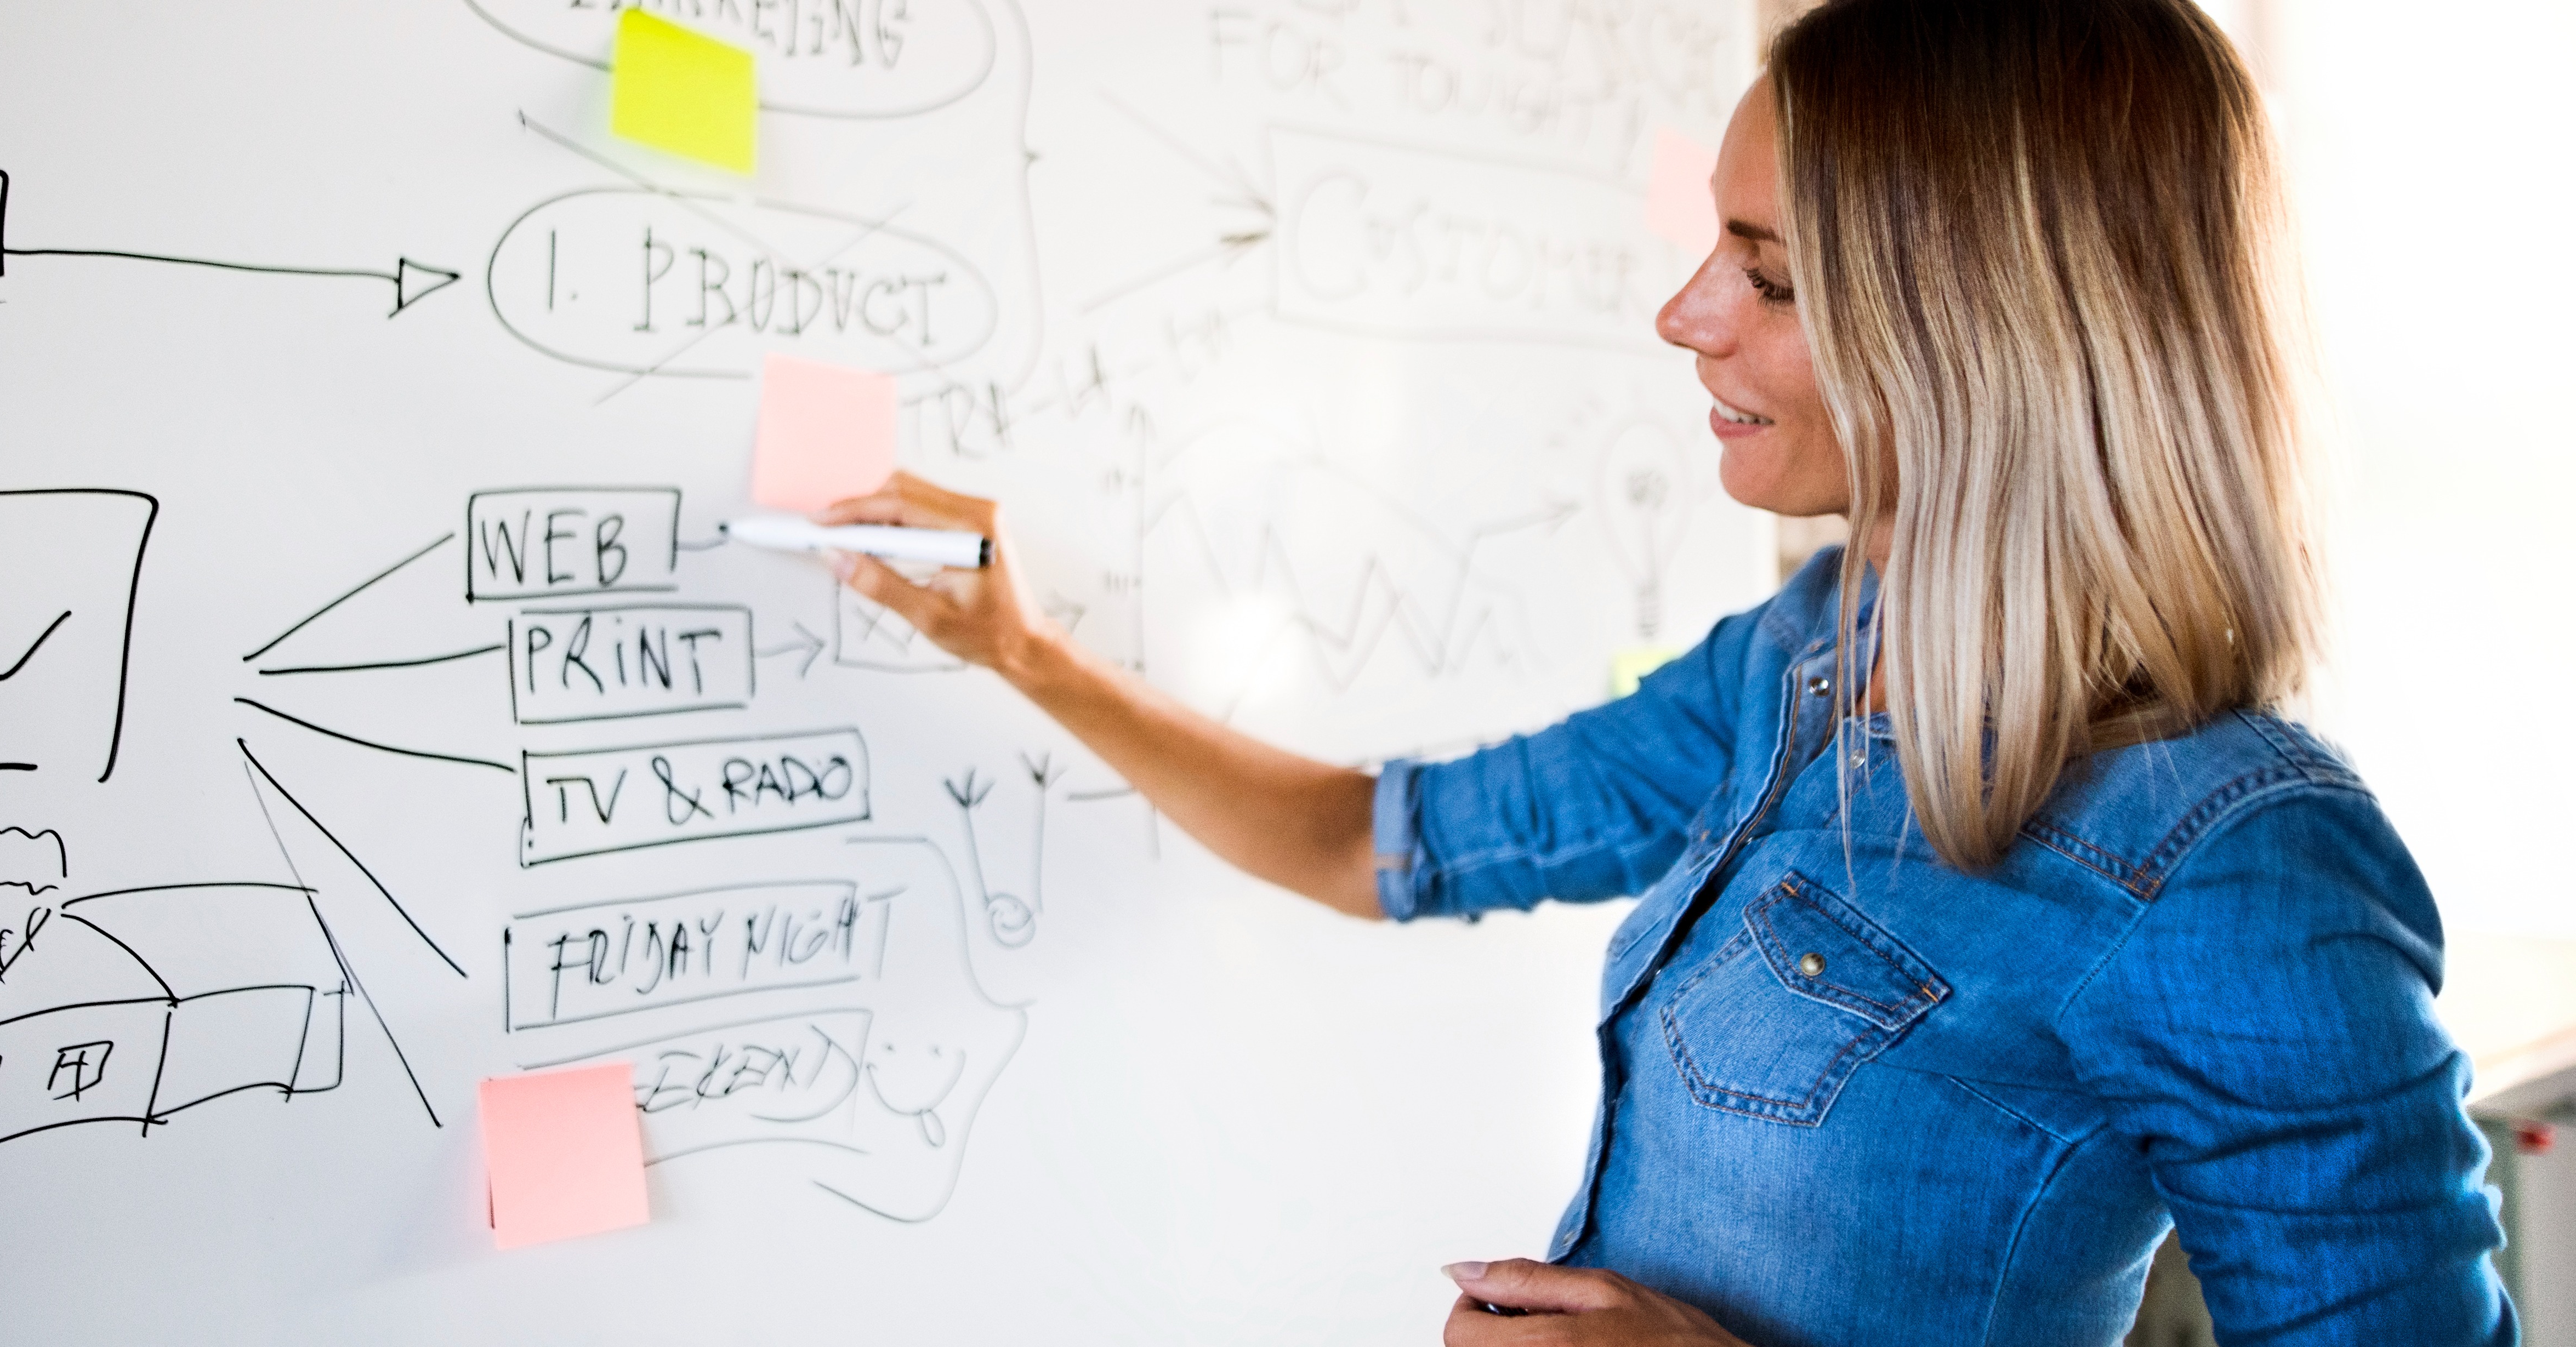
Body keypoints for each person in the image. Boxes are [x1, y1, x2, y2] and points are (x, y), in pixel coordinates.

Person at [817, 0, 2517, 1342]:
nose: (1683, 314)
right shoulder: (1808, 657)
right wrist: (1019, 650)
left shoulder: (2237, 860)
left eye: (1768, 275)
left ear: (1987, 331)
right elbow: (1373, 841)